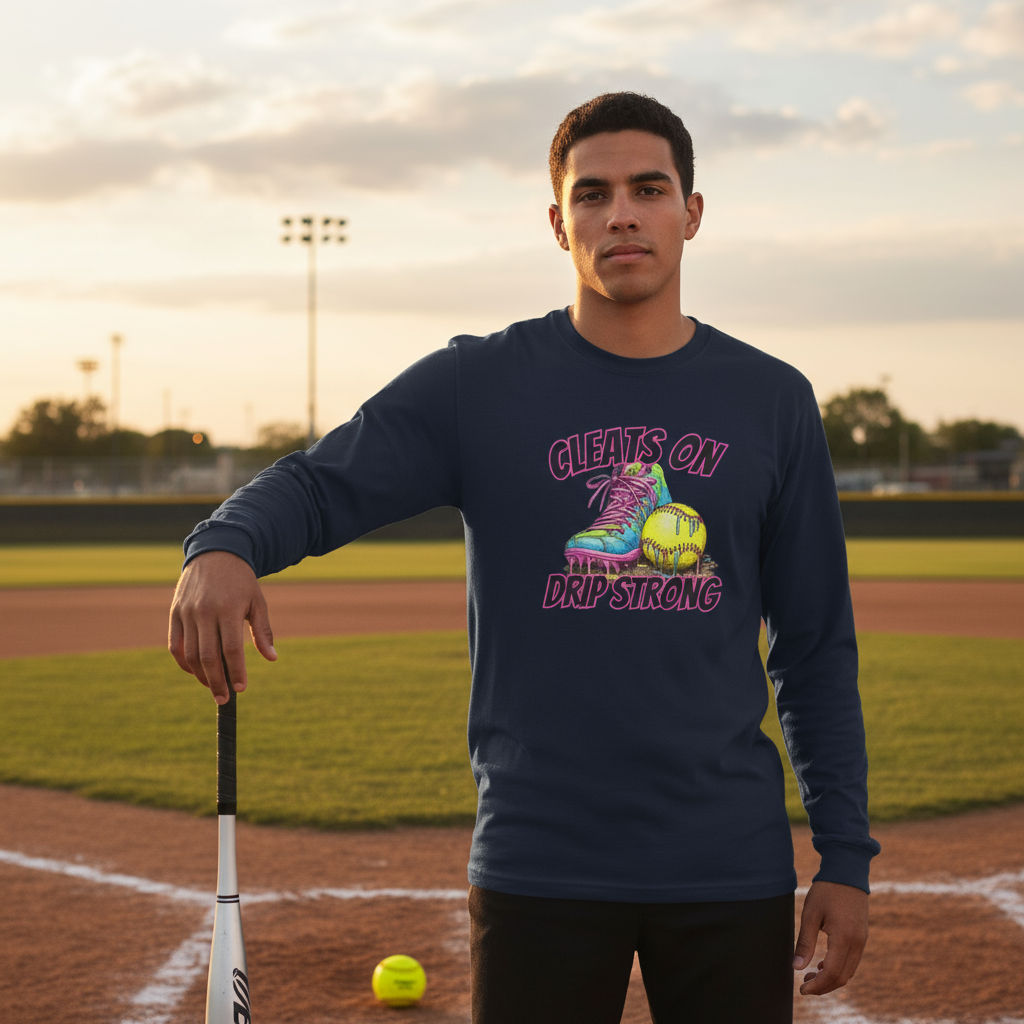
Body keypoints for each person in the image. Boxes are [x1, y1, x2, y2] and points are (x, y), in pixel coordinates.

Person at [169, 92, 879, 1023]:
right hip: (541, 861)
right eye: (592, 194)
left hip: (726, 862)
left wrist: (845, 856)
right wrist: (223, 543)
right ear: (558, 223)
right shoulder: (479, 385)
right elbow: (319, 483)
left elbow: (814, 643)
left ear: (691, 214)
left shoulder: (772, 400)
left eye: (648, 188)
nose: (620, 212)